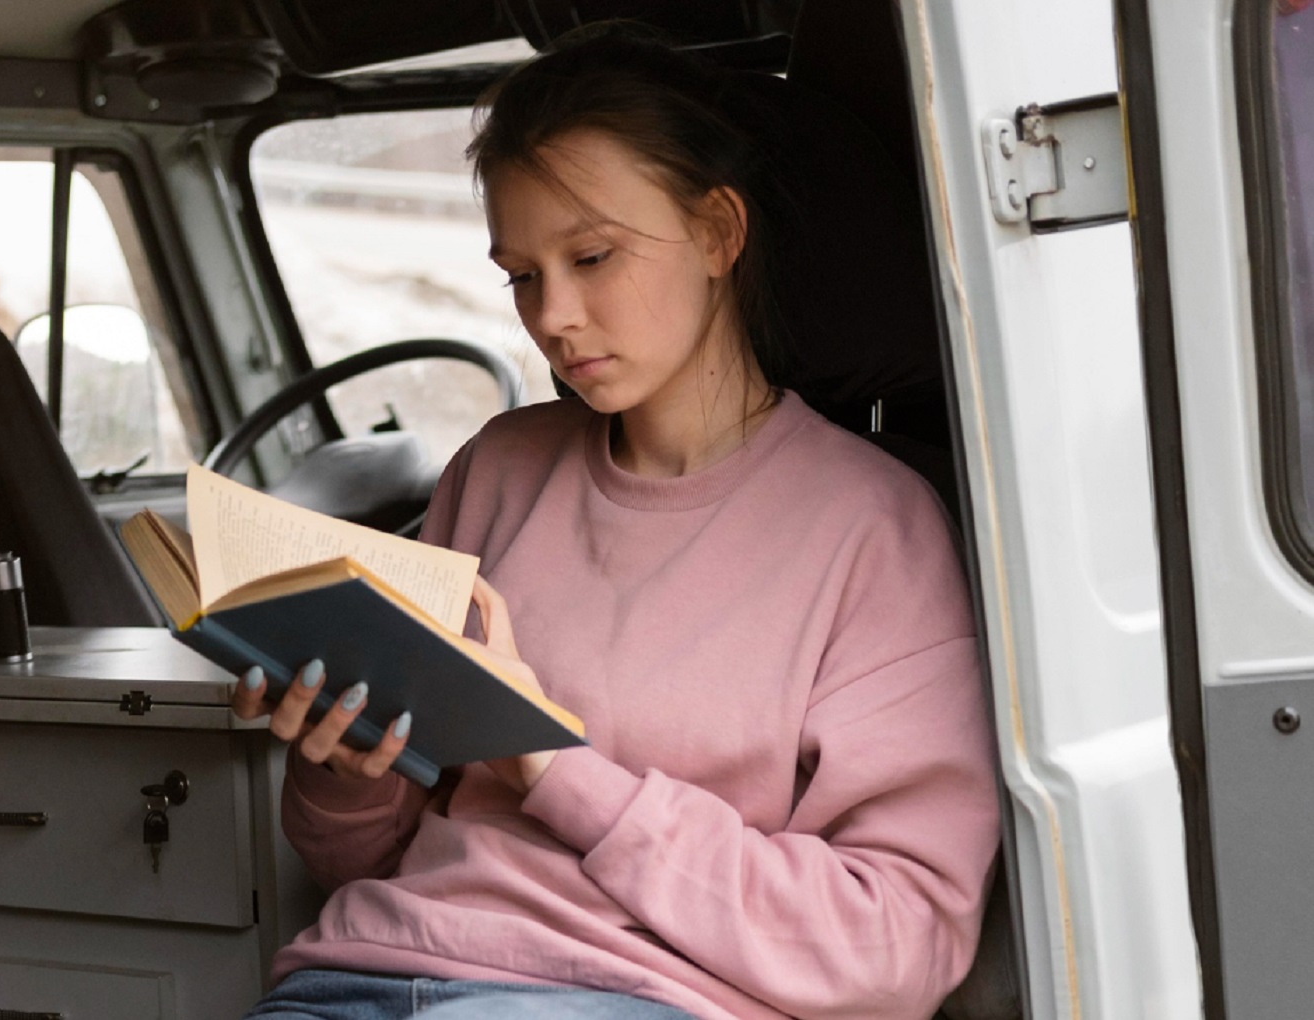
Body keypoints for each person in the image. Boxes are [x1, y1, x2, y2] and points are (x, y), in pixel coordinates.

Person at [235, 27, 999, 1020]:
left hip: (625, 997)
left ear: (721, 233)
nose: (553, 316)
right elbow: (361, 859)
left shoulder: (875, 528)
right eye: (521, 274)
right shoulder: (497, 470)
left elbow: (896, 944)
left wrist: (550, 762)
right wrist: (341, 767)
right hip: (358, 974)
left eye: (593, 256)